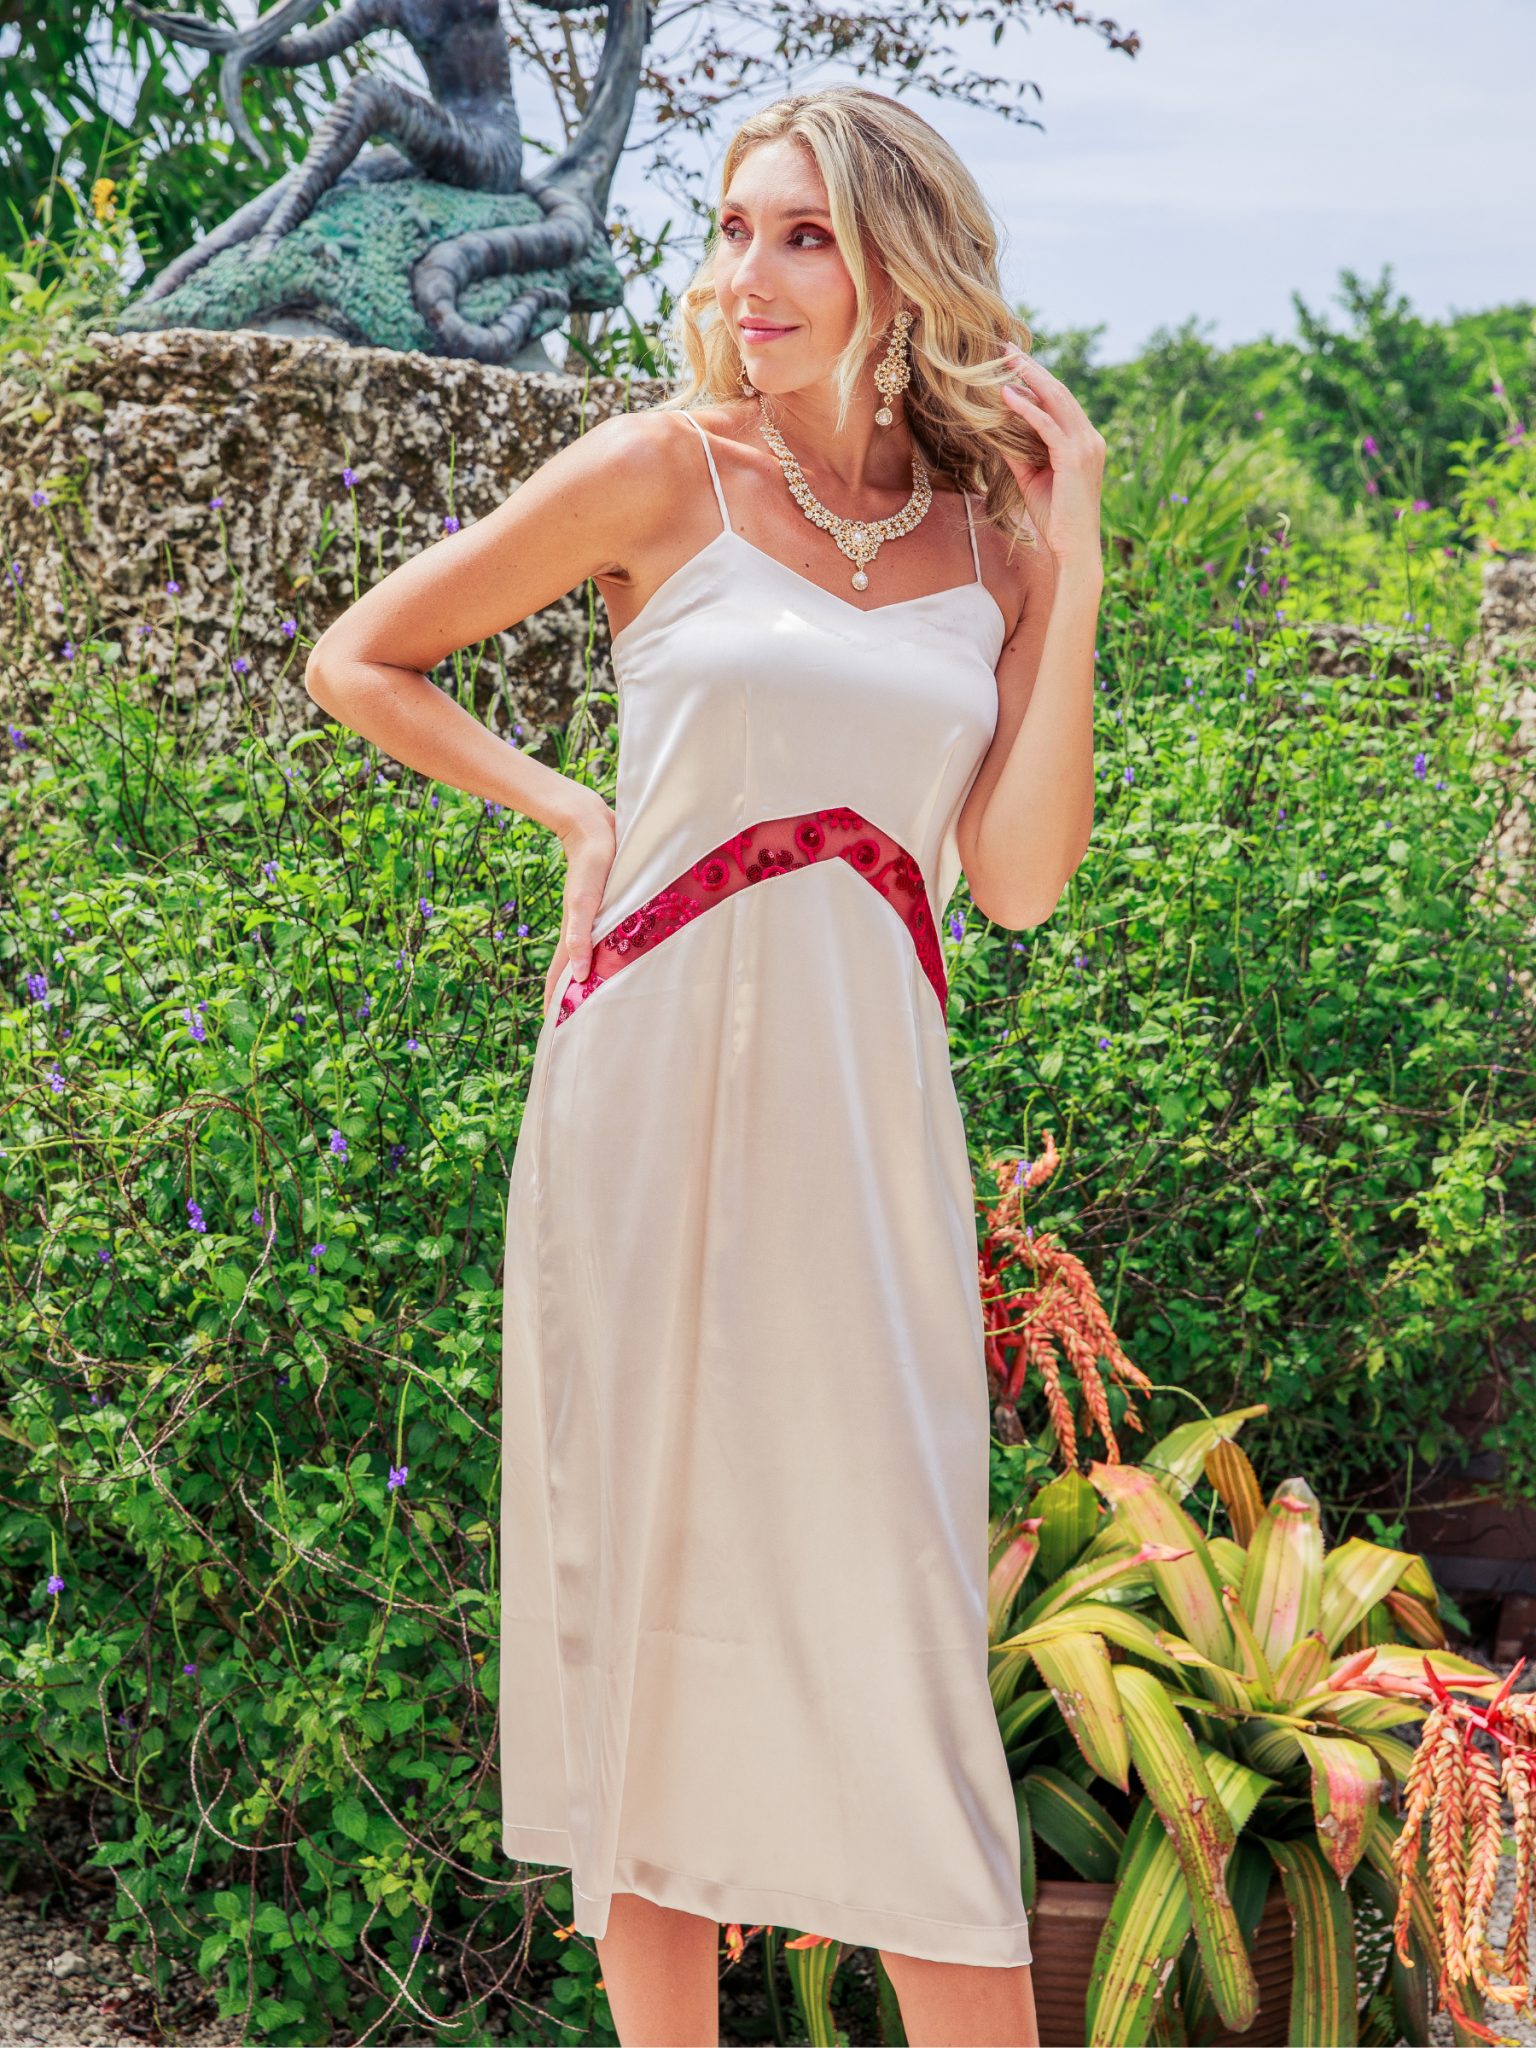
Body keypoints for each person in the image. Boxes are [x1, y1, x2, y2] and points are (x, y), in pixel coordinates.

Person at [306, 84, 1103, 2048]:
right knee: (647, 1609)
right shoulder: (664, 471)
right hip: (645, 1089)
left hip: (867, 1128)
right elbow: (364, 655)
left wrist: (1072, 557)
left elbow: (1009, 882)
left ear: (902, 263)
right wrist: (575, 812)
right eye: (736, 228)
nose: (749, 275)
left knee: (896, 1629)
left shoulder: (990, 541)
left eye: (805, 235)